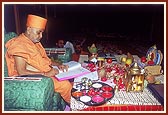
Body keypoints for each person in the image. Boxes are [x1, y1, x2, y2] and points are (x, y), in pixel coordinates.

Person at [5, 14, 72, 104]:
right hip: (33, 77)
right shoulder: (19, 45)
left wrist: (58, 65)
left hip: (47, 71)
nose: (41, 36)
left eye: (42, 33)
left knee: (70, 77)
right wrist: (46, 74)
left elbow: (45, 60)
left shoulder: (35, 43)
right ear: (29, 30)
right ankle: (78, 107)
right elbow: (21, 71)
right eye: (38, 32)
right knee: (65, 85)